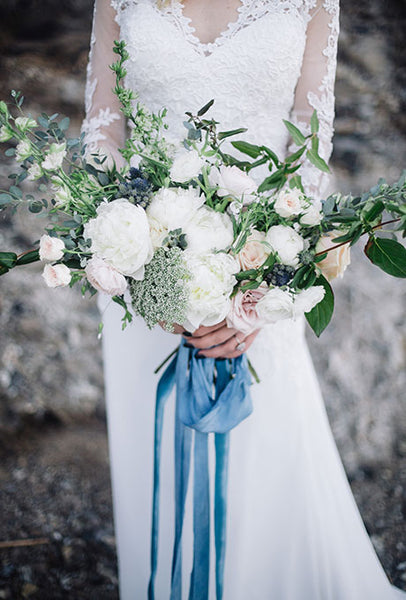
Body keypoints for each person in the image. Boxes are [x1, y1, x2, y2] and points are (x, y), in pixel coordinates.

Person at [83, 1, 406, 598]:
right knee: (156, 472)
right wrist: (137, 264)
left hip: (263, 269)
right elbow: (104, 128)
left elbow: (310, 142)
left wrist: (264, 286)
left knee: (268, 465)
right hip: (141, 273)